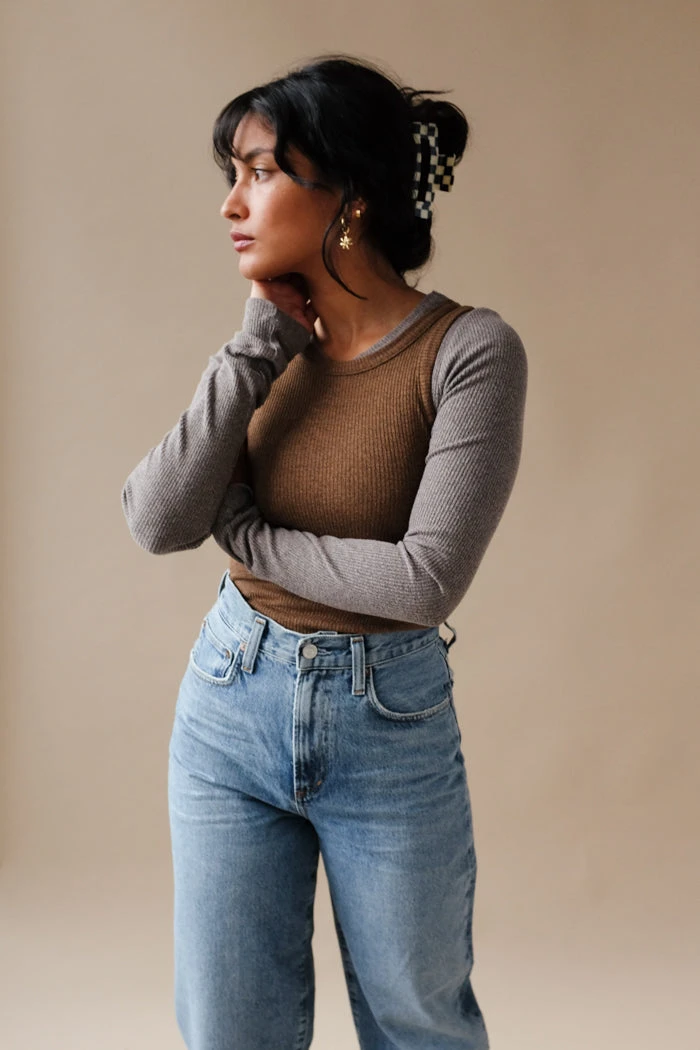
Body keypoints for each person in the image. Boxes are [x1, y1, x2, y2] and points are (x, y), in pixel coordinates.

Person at [121, 53, 527, 1050]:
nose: (231, 204)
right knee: (230, 1029)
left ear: (347, 192)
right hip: (229, 700)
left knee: (417, 1021)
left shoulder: (468, 352)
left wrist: (246, 533)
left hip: (386, 720)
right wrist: (254, 349)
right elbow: (158, 518)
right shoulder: (267, 350)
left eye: (259, 172)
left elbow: (423, 580)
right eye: (232, 174)